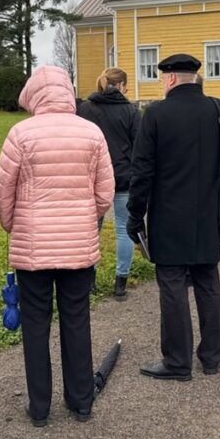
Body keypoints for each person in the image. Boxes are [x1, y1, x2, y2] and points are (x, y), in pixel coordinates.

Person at [0, 66, 114, 425]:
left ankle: (40, 406)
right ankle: (81, 401)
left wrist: (13, 224)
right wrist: (85, 217)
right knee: (76, 320)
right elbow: (105, 192)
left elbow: (3, 192)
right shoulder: (91, 132)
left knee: (35, 323)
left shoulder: (21, 134)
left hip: (33, 247)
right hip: (77, 245)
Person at [128, 54, 220, 380]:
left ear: (170, 78)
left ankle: (177, 361)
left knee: (172, 285)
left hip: (170, 212)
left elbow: (142, 169)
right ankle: (212, 356)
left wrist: (135, 214)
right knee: (207, 281)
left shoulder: (157, 113)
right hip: (209, 210)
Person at [77, 67, 139, 298]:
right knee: (123, 228)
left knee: (93, 229)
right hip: (123, 175)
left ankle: (89, 280)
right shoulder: (131, 111)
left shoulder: (85, 108)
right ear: (122, 85)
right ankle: (120, 282)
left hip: (93, 177)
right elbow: (138, 146)